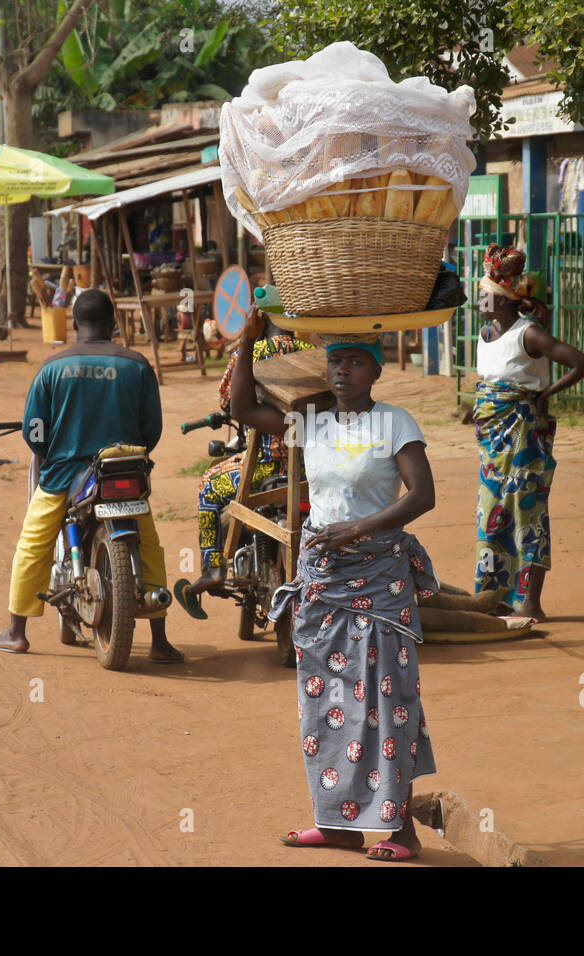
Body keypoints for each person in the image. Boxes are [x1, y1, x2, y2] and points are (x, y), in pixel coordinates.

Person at [231, 307, 439, 862]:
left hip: (379, 578)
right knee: (325, 703)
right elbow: (244, 408)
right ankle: (340, 824)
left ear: (374, 372)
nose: (343, 372)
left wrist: (360, 528)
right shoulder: (311, 422)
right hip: (323, 582)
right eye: (336, 362)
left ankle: (400, 831)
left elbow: (422, 496)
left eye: (354, 362)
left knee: (385, 699)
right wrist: (249, 343)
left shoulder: (396, 423)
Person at [0, 289, 183, 663]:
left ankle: (16, 632)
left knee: (33, 543)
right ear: (113, 325)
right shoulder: (138, 365)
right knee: (149, 543)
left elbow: (35, 432)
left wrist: (53, 453)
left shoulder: (52, 368)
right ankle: (159, 640)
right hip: (123, 472)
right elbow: (151, 430)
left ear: (75, 324)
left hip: (65, 475)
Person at [473, 243, 584, 621]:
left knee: (528, 512)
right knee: (492, 511)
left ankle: (531, 603)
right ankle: (495, 596)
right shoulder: (485, 334)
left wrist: (545, 396)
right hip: (493, 439)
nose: (480, 303)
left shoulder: (530, 335)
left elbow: (581, 363)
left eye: (486, 297)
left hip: (524, 433)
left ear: (506, 301)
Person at [173, 319, 314, 617]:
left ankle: (213, 568)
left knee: (208, 486)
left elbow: (227, 400)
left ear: (258, 324)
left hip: (264, 466)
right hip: (308, 468)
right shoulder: (311, 352)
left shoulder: (249, 353)